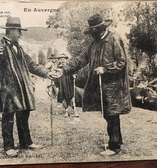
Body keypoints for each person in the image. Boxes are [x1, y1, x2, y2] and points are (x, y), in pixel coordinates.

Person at [51, 14, 131, 156]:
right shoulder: (94, 43)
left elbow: (121, 62)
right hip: (101, 87)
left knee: (112, 114)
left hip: (114, 87)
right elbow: (80, 60)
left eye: (94, 31)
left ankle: (115, 146)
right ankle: (116, 140)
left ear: (101, 29)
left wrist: (106, 69)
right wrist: (63, 70)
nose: (92, 34)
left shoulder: (114, 39)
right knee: (107, 114)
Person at [0, 17, 50, 157]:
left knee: (23, 115)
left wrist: (46, 73)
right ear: (10, 31)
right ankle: (8, 146)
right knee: (8, 117)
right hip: (8, 89)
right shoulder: (0, 46)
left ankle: (26, 142)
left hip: (21, 89)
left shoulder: (18, 48)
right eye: (18, 31)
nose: (20, 35)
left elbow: (31, 64)